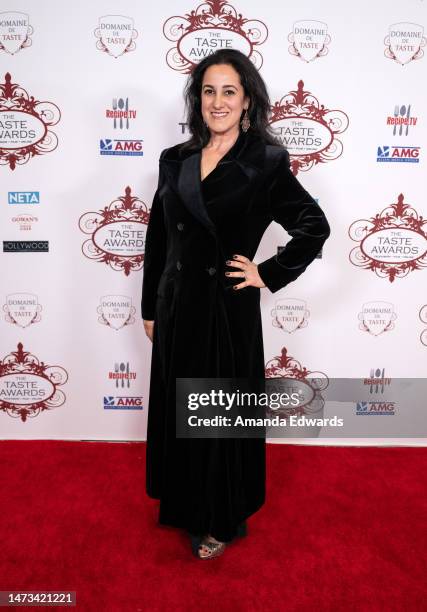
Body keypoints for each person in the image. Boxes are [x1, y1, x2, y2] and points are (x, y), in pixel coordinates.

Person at [141, 49, 330, 560]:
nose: (217, 101)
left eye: (229, 91)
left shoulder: (264, 163)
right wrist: (150, 307)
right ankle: (184, 505)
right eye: (208, 91)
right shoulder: (173, 158)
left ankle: (220, 518)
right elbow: (158, 237)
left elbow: (315, 227)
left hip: (226, 311)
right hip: (177, 305)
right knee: (181, 410)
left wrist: (265, 274)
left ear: (247, 101)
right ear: (197, 99)